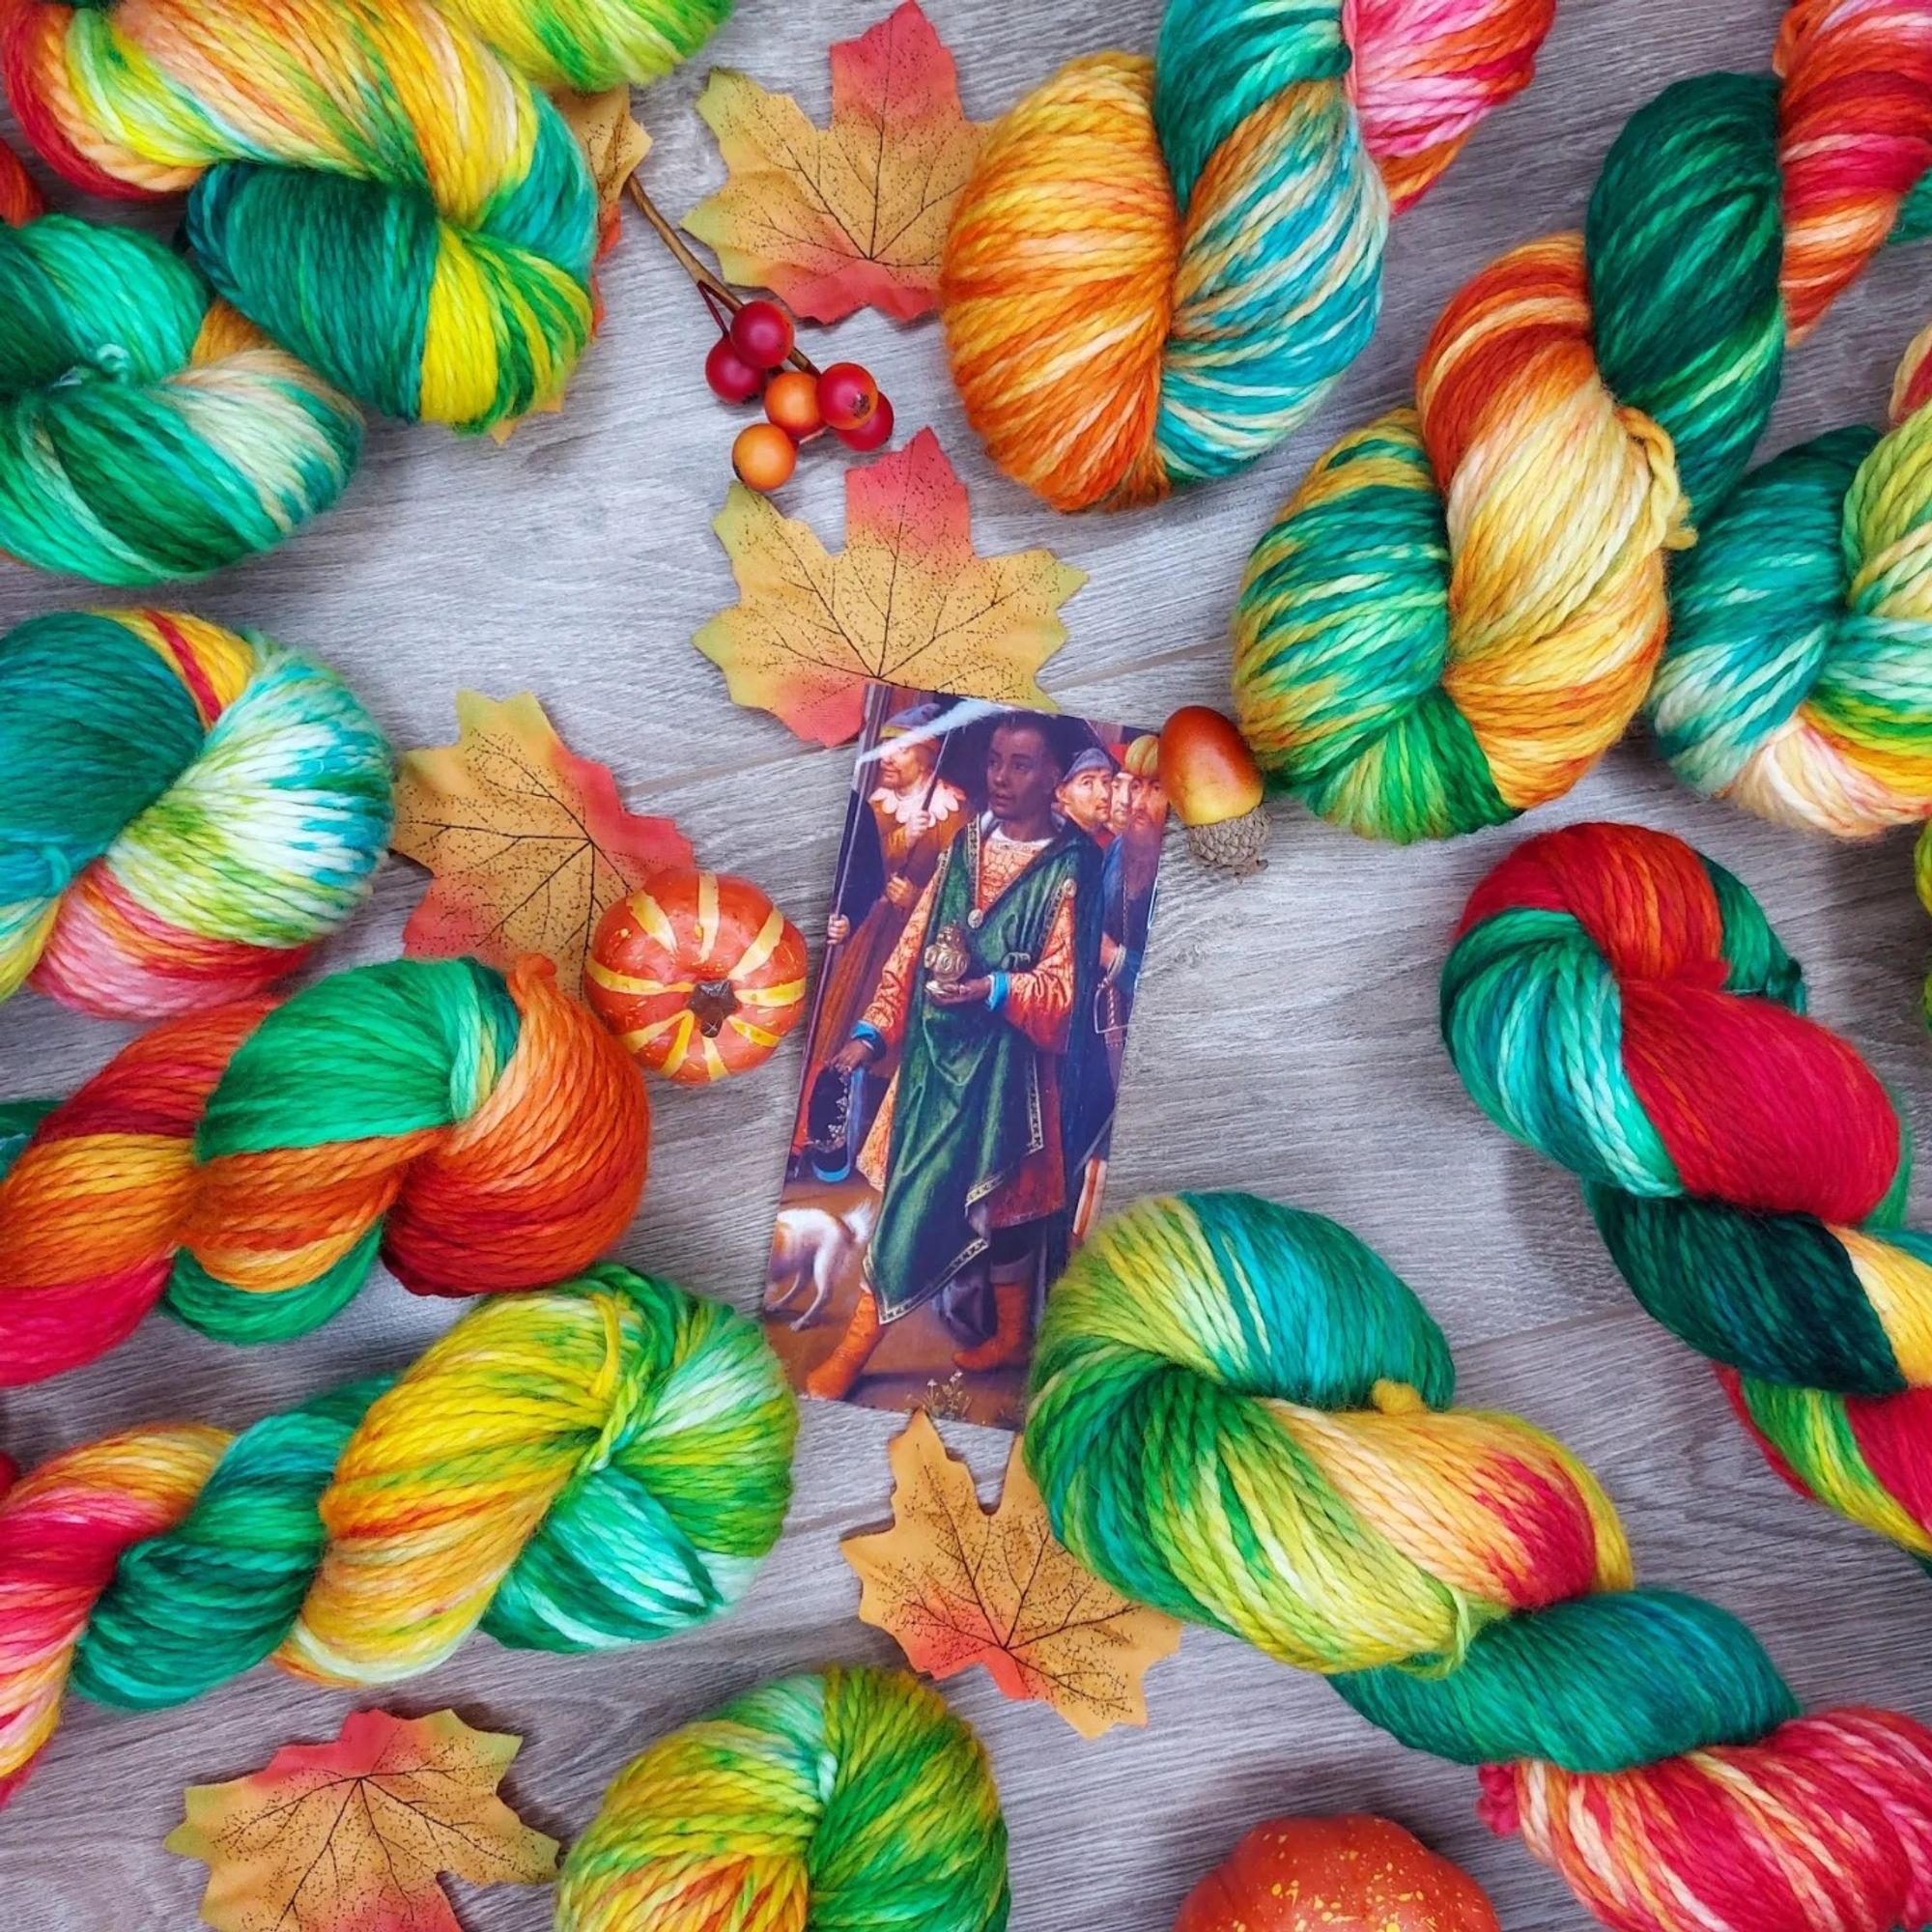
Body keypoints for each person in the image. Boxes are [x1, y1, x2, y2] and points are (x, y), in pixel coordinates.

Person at [808, 712, 1105, 1401]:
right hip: (933, 1077)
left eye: (1022, 764)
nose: (1001, 777)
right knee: (913, 1201)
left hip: (1011, 1080)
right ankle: (866, 1346)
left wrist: (992, 988)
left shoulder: (1074, 868)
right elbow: (912, 949)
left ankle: (1004, 1337)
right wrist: (871, 1034)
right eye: (996, 760)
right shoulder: (965, 845)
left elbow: (1065, 991)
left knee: (1002, 1212)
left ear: (1056, 778)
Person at [795, 704, 968, 1176]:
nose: (887, 758)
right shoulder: (874, 806)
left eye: (902, 748)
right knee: (836, 1023)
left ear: (929, 756)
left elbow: (957, 886)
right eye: (885, 747)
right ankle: (817, 1135)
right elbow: (864, 871)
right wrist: (896, 841)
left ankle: (874, 1147)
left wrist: (914, 896)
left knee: (887, 1039)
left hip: (909, 942)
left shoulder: (953, 811)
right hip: (867, 935)